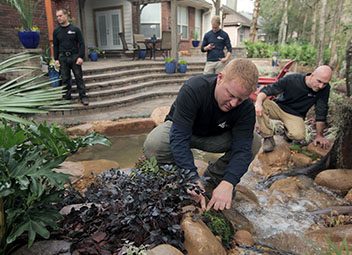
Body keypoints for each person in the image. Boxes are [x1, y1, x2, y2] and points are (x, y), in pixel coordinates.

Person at [143, 59, 261, 211]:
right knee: (154, 143)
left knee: (254, 141)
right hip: (184, 131)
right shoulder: (194, 88)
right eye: (231, 95)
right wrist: (191, 176)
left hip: (216, 137)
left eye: (240, 99)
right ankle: (175, 177)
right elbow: (179, 137)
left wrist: (229, 182)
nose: (233, 103)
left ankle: (214, 180)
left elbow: (242, 149)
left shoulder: (246, 108)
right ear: (220, 78)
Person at [255, 65, 333, 153]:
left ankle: (286, 132)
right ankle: (268, 137)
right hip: (278, 107)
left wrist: (319, 135)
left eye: (325, 83)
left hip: (295, 115)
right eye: (319, 81)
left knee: (299, 136)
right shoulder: (292, 79)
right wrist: (258, 103)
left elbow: (321, 111)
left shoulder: (324, 89)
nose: (321, 86)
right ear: (312, 75)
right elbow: (268, 90)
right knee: (262, 102)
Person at [53, 8, 89, 106]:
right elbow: (55, 46)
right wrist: (56, 59)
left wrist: (81, 57)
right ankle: (66, 98)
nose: (58, 18)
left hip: (74, 57)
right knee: (65, 79)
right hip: (63, 58)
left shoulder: (75, 29)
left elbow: (81, 44)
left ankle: (83, 97)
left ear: (66, 16)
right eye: (57, 16)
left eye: (60, 16)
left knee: (78, 77)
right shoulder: (56, 31)